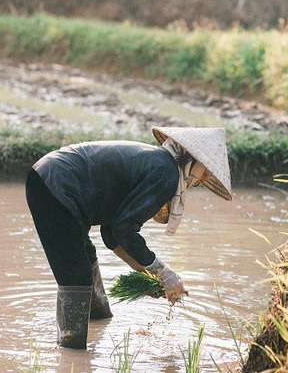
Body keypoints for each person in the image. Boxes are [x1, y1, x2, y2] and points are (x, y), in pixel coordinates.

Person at [25, 126, 232, 349]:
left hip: (52, 179)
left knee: (86, 259)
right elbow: (124, 229)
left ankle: (98, 320)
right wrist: (163, 271)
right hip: (55, 186)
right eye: (206, 173)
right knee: (75, 274)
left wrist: (152, 277)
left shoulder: (159, 163)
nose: (202, 181)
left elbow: (112, 232)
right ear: (194, 161)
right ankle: (71, 351)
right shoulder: (167, 173)